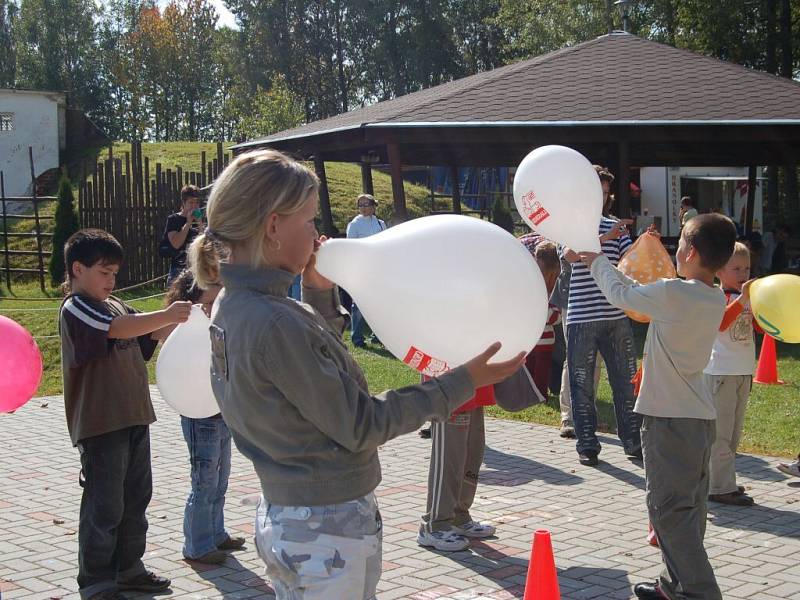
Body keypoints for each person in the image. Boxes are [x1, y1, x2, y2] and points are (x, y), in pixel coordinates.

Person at [187, 149, 525, 599]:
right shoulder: (274, 321)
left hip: (297, 518)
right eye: (308, 221)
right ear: (272, 227)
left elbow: (306, 380)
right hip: (324, 529)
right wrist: (462, 380)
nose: (316, 233)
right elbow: (360, 422)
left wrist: (317, 295)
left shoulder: (239, 305)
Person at [579, 213, 737, 600]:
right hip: (698, 420)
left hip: (670, 421)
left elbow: (621, 297)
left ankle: (699, 592)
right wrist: (607, 264)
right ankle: (674, 586)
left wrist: (593, 260)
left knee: (669, 511)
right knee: (688, 509)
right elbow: (640, 293)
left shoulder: (674, 294)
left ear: (691, 251)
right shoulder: (709, 295)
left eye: (680, 242)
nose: (675, 249)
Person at [59, 229, 192, 600]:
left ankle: (129, 570)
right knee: (105, 507)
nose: (111, 280)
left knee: (136, 500)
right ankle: (97, 583)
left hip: (135, 417)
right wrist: (167, 313)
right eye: (104, 272)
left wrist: (187, 309)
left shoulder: (116, 304)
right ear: (78, 268)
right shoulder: (77, 306)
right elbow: (117, 330)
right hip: (101, 424)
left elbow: (152, 332)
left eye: (115, 272)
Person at [153, 271, 246, 564]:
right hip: (197, 411)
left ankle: (216, 533)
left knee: (220, 477)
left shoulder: (222, 319)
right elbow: (164, 341)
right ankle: (197, 545)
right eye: (213, 290)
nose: (220, 294)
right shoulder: (182, 323)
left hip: (220, 408)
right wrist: (189, 319)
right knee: (203, 479)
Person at [563, 165, 641, 466]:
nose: (604, 197)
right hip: (581, 318)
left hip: (615, 314)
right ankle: (586, 443)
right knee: (581, 384)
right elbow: (570, 255)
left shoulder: (615, 225)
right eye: (599, 191)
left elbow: (626, 265)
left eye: (607, 193)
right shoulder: (569, 226)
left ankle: (633, 441)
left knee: (625, 381)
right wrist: (605, 236)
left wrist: (643, 243)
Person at [418, 372, 539, 552]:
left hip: (474, 378)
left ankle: (459, 515)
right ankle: (434, 525)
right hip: (448, 381)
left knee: (473, 450)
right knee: (448, 458)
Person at [705, 243, 759, 507]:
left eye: (746, 268)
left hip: (743, 373)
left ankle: (723, 479)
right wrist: (743, 298)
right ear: (718, 271)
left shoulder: (746, 297)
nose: (743, 274)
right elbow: (722, 323)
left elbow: (760, 328)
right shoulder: (718, 297)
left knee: (734, 433)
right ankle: (719, 487)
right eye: (736, 268)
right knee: (720, 434)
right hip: (721, 374)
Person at [519, 234, 562, 396]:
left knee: (539, 367)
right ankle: (536, 392)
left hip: (537, 338)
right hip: (536, 338)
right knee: (535, 366)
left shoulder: (554, 255)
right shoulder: (523, 254)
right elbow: (554, 317)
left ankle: (537, 392)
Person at [345, 193, 386, 347]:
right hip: (363, 268)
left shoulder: (381, 223)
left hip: (379, 268)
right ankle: (357, 337)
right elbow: (351, 247)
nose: (363, 208)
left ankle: (378, 336)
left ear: (373, 206)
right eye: (360, 205)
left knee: (380, 303)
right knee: (360, 304)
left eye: (366, 204)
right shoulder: (354, 224)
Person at [162, 185, 203, 285]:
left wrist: (200, 225)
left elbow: (205, 245)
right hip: (178, 271)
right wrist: (188, 223)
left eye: (197, 203)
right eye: (191, 203)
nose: (194, 206)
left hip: (197, 269)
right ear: (184, 203)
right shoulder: (173, 219)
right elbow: (176, 244)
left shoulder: (201, 220)